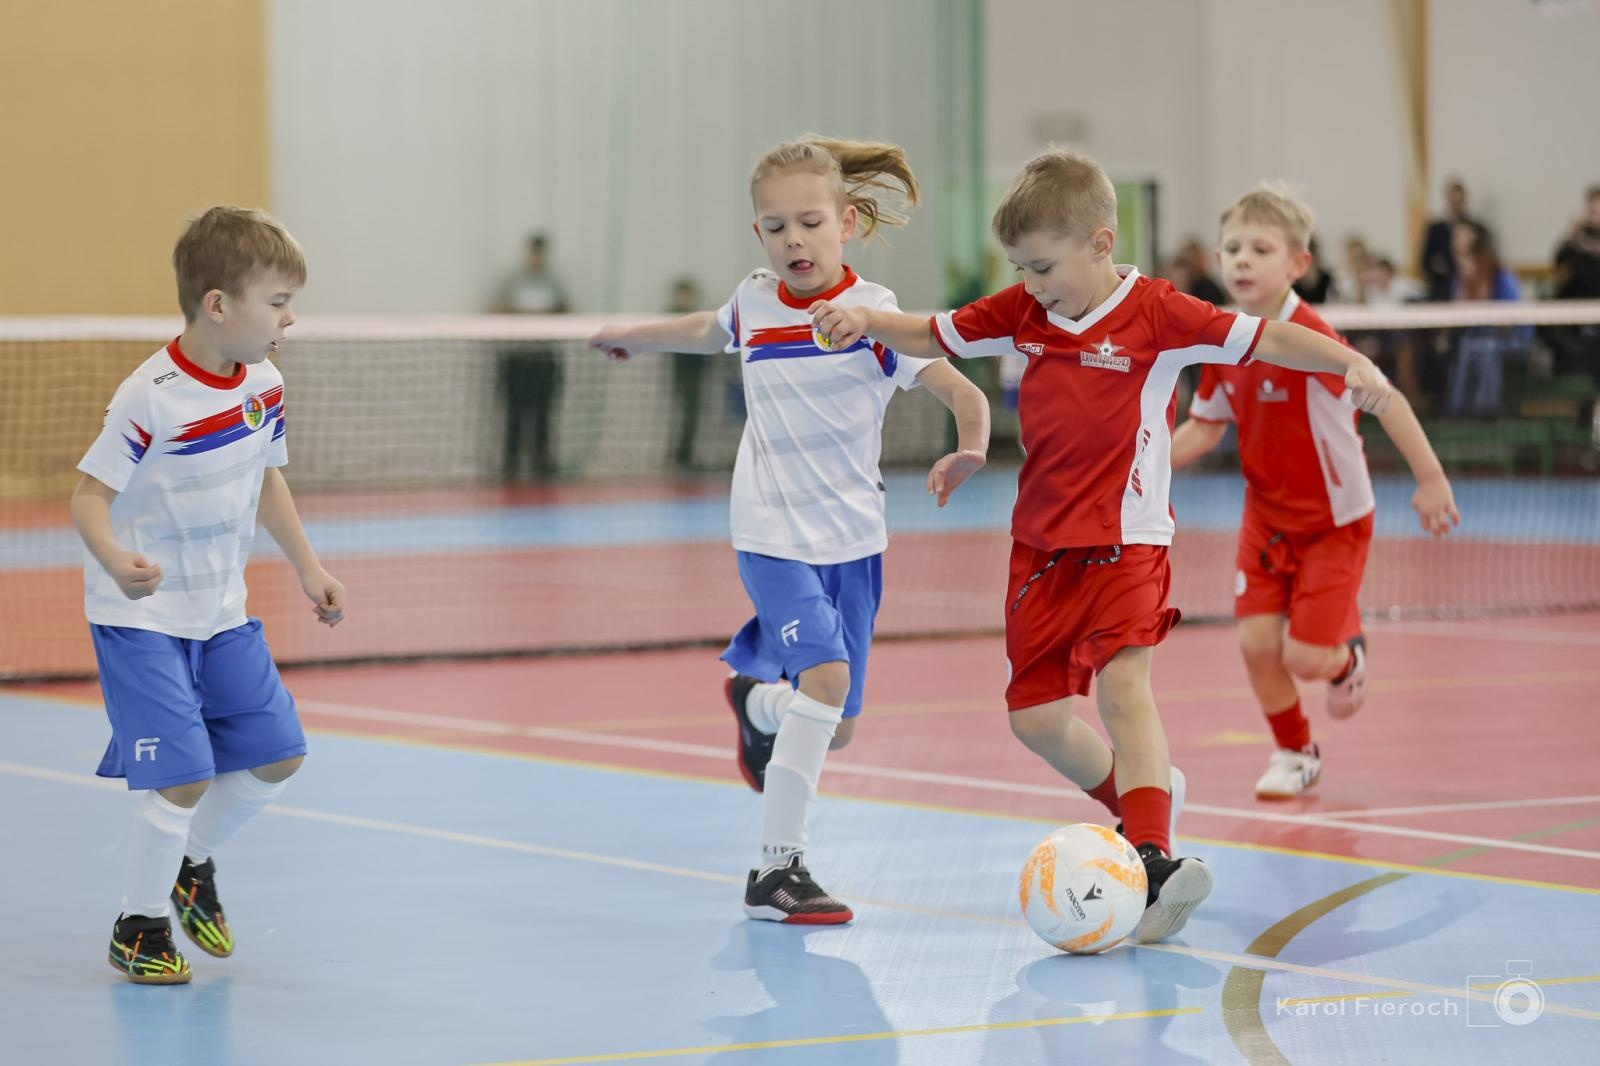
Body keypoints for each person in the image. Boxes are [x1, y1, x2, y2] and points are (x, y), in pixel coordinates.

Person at [808, 148, 1393, 943]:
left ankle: (1151, 855)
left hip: (1130, 540)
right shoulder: (1023, 310)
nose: (1033, 281)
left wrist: (1350, 360)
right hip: (1040, 548)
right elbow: (932, 330)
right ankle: (1145, 799)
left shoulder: (1161, 314)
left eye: (1044, 265)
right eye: (1020, 267)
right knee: (1036, 720)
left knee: (1124, 688)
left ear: (1100, 242)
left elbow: (1270, 339)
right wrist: (867, 318)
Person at [589, 137, 989, 925]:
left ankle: (756, 704)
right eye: (775, 228)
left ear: (845, 222)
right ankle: (778, 871)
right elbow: (710, 329)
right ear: (759, 236)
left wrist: (972, 448)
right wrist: (633, 332)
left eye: (809, 223)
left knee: (832, 728)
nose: (794, 241)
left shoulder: (876, 314)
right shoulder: (756, 301)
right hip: (772, 533)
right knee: (828, 686)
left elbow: (961, 390)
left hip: (856, 542)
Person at [70, 206, 345, 984]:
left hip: (222, 611)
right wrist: (118, 558)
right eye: (278, 302)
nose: (289, 318)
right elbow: (88, 497)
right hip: (140, 617)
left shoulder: (264, 382)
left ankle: (190, 863)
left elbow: (266, 477)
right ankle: (140, 923)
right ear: (219, 305)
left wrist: (307, 567)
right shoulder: (148, 397)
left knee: (278, 756)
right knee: (184, 775)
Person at [1169, 184, 1459, 800]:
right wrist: (1136, 463)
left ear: (1298, 264)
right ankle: (1296, 751)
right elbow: (1205, 427)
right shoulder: (1223, 340)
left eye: (1260, 248)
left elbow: (1390, 400)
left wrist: (1430, 479)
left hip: (1335, 523)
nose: (1241, 259)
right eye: (1232, 248)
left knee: (1304, 658)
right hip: (1265, 521)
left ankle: (1345, 659)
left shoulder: (1317, 339)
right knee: (1254, 645)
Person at [495, 232, 570, 480]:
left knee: (543, 415)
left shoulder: (554, 281)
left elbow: (567, 309)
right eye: (533, 252)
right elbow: (495, 309)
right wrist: (521, 313)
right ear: (527, 253)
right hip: (517, 356)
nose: (536, 257)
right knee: (515, 414)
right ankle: (511, 464)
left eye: (540, 252)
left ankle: (542, 463)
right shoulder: (512, 280)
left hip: (544, 357)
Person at [664, 275, 712, 470]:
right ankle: (679, 455)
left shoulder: (700, 317)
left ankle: (685, 455)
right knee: (682, 414)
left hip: (698, 372)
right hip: (681, 373)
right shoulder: (672, 317)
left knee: (693, 414)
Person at [1419, 178, 1478, 302]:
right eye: (1452, 201)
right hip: (1442, 291)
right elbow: (1424, 262)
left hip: (1472, 291)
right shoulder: (1435, 230)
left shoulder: (1477, 228)